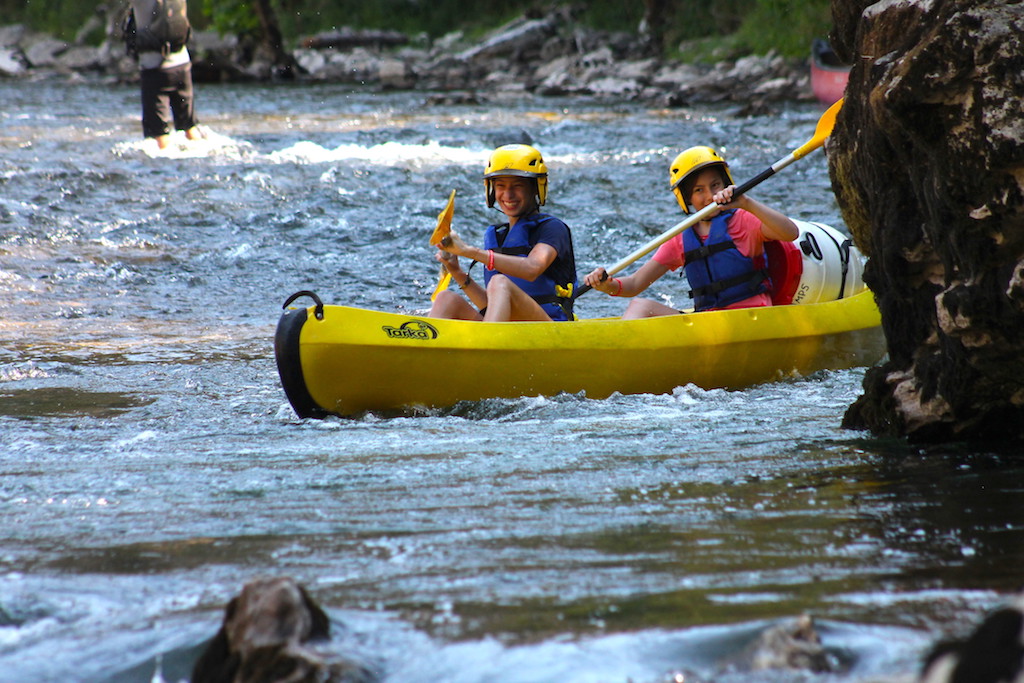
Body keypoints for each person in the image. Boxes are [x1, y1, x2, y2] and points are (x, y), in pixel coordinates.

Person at [583, 146, 799, 318]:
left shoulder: (743, 219)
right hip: (708, 322)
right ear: (687, 200)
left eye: (715, 185)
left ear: (726, 184)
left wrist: (746, 202)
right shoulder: (681, 238)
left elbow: (791, 233)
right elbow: (635, 284)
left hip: (752, 319)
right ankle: (620, 360)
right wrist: (607, 286)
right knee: (640, 306)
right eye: (699, 190)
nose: (710, 195)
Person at [429, 144, 577, 322]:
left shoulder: (552, 228)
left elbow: (532, 268)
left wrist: (468, 251)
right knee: (446, 299)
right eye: (500, 186)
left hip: (548, 328)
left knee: (499, 283)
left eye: (517, 186)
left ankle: (487, 345)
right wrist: (457, 272)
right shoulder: (497, 235)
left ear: (535, 188)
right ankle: (420, 345)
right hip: (506, 329)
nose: (508, 194)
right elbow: (489, 306)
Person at [125, 0, 204, 149]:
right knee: (189, 125)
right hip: (183, 66)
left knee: (159, 133)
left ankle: (167, 168)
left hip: (155, 68)